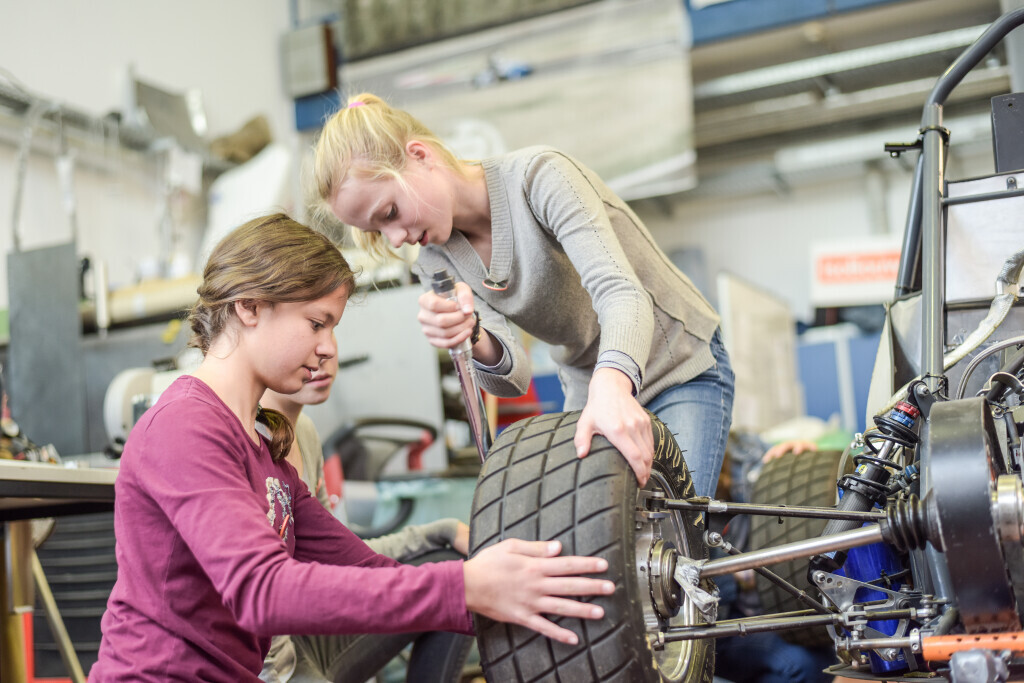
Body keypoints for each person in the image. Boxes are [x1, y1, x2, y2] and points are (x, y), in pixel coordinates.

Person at [90, 213, 614, 681]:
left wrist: (509, 588)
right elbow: (262, 592)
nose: (328, 348)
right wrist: (463, 588)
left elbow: (361, 570)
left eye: (332, 327)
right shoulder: (184, 426)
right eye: (317, 323)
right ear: (248, 306)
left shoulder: (258, 443)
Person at [311, 93, 735, 494]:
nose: (395, 237)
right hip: (592, 387)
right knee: (598, 540)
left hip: (677, 364)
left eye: (389, 213)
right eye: (377, 231)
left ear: (420, 156)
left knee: (676, 536)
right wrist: (472, 334)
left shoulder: (540, 177)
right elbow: (513, 380)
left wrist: (611, 389)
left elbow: (621, 292)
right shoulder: (434, 257)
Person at [259, 334, 472, 682]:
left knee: (456, 576)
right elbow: (255, 609)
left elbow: (343, 557)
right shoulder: (246, 447)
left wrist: (440, 531)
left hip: (314, 636)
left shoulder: (306, 434)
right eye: (309, 328)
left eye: (329, 329)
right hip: (273, 661)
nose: (325, 352)